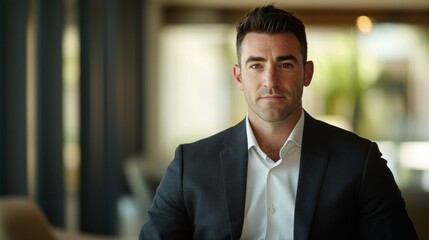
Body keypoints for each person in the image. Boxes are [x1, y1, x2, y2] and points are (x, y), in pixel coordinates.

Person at [139, 4, 418, 240]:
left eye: (285, 64)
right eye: (256, 65)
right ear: (238, 76)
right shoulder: (191, 164)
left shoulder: (360, 162)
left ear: (306, 73)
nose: (270, 81)